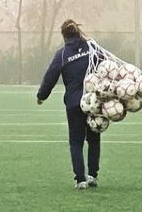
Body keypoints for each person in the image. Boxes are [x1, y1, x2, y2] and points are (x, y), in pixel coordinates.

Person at [36, 19, 102, 190]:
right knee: (94, 139)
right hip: (93, 101)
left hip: (74, 103)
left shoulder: (63, 54)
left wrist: (41, 96)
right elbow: (106, 66)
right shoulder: (92, 48)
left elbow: (51, 75)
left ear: (64, 36)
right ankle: (93, 176)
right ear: (78, 32)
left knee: (76, 141)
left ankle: (80, 179)